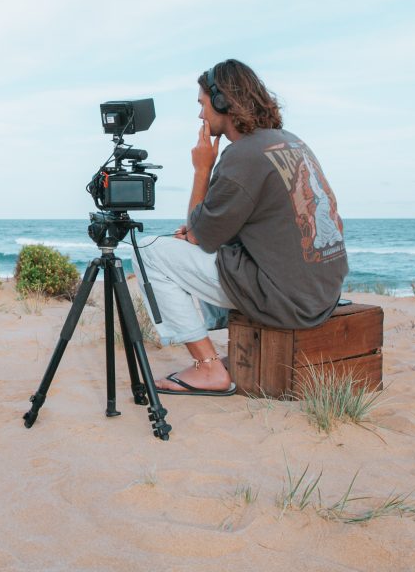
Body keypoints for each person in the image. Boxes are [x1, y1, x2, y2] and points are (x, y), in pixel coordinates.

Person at [136, 60, 347, 396]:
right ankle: (217, 355)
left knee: (148, 252)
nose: (201, 116)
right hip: (322, 294)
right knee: (209, 244)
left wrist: (202, 169)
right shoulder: (290, 141)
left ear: (223, 102)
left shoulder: (241, 157)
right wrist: (200, 231)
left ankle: (208, 368)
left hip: (289, 301)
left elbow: (200, 236)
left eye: (202, 105)